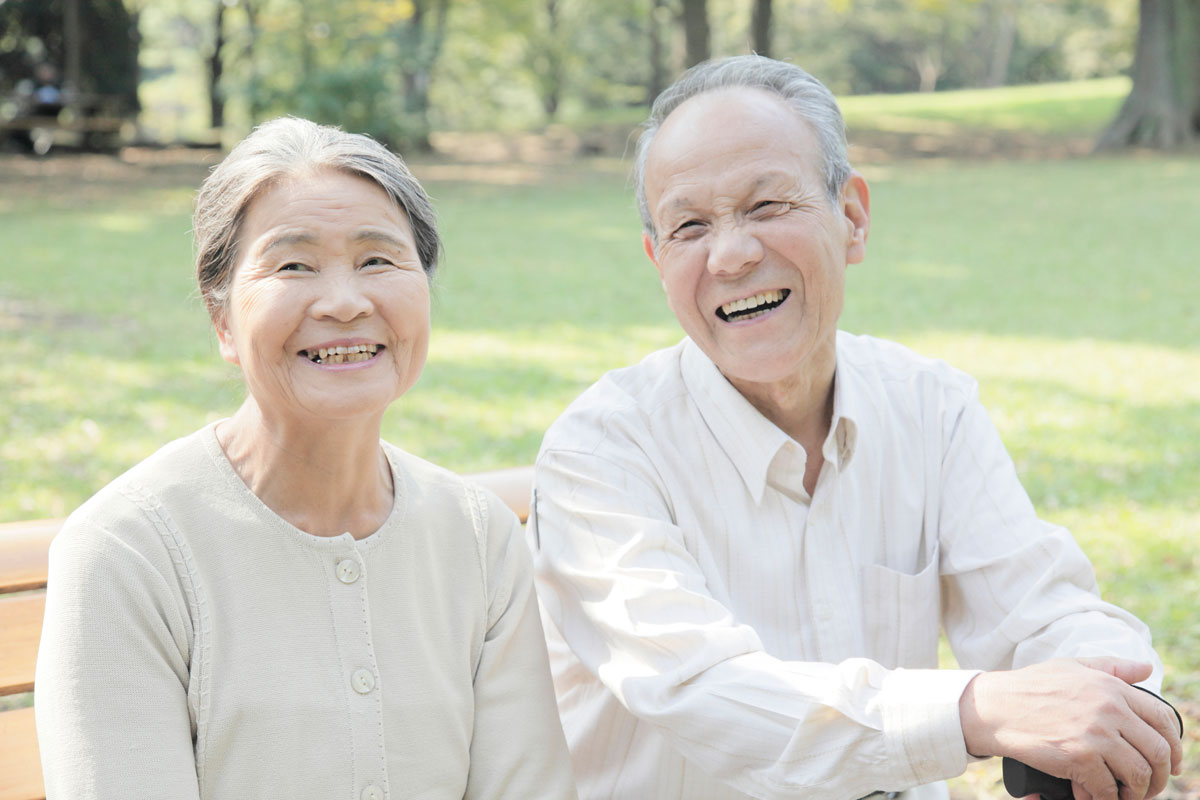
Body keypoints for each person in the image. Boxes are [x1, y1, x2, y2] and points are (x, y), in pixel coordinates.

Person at [528, 55, 1181, 800]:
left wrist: (1121, 700)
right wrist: (972, 711)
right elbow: (703, 690)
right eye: (690, 226)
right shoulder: (601, 452)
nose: (733, 253)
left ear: (853, 218)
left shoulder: (929, 407)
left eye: (767, 206)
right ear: (658, 260)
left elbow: (1041, 608)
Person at [35, 117, 577, 800]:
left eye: (378, 260)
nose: (346, 303)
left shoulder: (480, 539)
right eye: (293, 265)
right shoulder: (127, 553)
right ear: (223, 321)